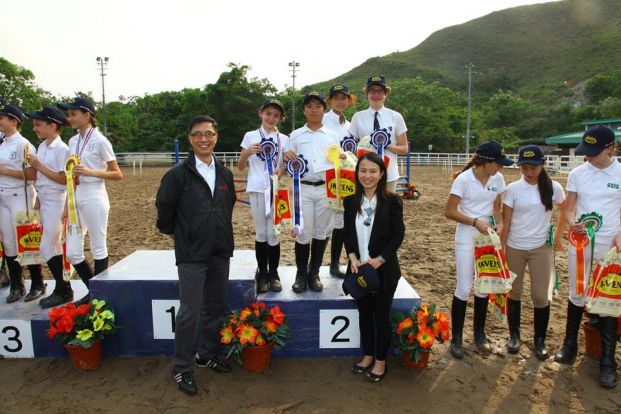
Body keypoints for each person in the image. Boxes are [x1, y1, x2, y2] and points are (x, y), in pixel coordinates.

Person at [156, 115, 237, 395]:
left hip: (220, 250)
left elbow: (227, 207)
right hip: (191, 252)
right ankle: (182, 367)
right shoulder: (177, 175)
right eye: (198, 134)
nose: (204, 139)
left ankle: (206, 354)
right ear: (190, 138)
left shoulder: (225, 173)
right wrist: (183, 234)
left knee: (215, 306)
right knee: (190, 311)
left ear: (216, 137)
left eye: (209, 134)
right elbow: (164, 213)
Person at [554, 125, 620, 389]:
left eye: (594, 152)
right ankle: (569, 344)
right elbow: (568, 208)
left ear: (610, 149)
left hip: (611, 244)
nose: (588, 157)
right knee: (577, 292)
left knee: (607, 297)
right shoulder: (578, 173)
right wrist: (572, 223)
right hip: (582, 242)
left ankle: (607, 359)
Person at [444, 140, 514, 359]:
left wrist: (499, 222)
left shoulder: (497, 178)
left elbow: (496, 206)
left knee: (483, 284)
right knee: (464, 286)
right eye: (498, 163)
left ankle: (479, 333)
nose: (501, 168)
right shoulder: (464, 180)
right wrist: (475, 222)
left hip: (487, 236)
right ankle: (456, 337)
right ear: (486, 162)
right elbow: (449, 211)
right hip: (467, 234)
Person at [343, 152, 405, 382]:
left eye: (372, 171)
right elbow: (347, 234)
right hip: (359, 269)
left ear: (381, 175)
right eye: (363, 170)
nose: (367, 175)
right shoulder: (349, 201)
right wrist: (351, 257)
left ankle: (380, 362)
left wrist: (381, 258)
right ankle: (367, 355)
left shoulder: (392, 201)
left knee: (381, 316)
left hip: (384, 270)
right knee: (364, 316)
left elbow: (398, 235)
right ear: (357, 172)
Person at [500, 145, 566, 359]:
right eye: (525, 167)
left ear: (543, 165)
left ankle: (540, 340)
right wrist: (501, 246)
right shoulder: (512, 189)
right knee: (514, 292)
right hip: (515, 247)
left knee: (540, 295)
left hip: (541, 249)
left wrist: (557, 234)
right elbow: (507, 220)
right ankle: (514, 336)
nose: (529, 172)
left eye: (533, 168)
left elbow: (566, 210)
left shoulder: (554, 187)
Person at [57, 97, 122, 304]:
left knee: (98, 246)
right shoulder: (73, 141)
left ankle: (98, 295)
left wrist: (91, 172)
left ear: (87, 115)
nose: (70, 118)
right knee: (73, 252)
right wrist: (68, 204)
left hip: (95, 194)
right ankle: (93, 289)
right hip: (77, 195)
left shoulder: (100, 140)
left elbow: (117, 173)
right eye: (69, 114)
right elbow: (70, 176)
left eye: (74, 114)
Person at [285, 91, 339, 293]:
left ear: (324, 109)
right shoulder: (296, 135)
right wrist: (287, 156)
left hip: (326, 189)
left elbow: (340, 164)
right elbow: (288, 162)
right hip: (303, 190)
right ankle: (301, 273)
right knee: (303, 232)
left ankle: (314, 272)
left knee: (322, 232)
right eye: (309, 106)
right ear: (303, 110)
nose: (313, 110)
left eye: (318, 106)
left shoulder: (333, 136)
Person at [238, 99, 289, 293]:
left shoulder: (284, 139)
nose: (271, 118)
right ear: (261, 113)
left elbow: (284, 169)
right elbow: (241, 167)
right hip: (257, 188)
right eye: (268, 113)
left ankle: (274, 273)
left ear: (280, 118)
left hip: (277, 190)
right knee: (261, 232)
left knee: (274, 232)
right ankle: (262, 272)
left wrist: (284, 168)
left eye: (276, 115)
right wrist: (247, 153)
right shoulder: (250, 136)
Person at [25, 106, 73, 308]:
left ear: (53, 126)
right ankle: (62, 288)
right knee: (51, 245)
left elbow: (63, 180)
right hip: (45, 199)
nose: (35, 129)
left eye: (38, 125)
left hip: (56, 199)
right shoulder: (43, 146)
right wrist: (37, 203)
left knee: (47, 246)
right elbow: (41, 179)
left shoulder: (62, 150)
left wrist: (38, 166)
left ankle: (64, 288)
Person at [0, 103, 44, 303]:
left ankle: (38, 283)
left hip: (21, 195)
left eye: (1, 118)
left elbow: (32, 174)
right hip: (3, 197)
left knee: (27, 241)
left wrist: (4, 171)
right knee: (8, 243)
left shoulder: (24, 144)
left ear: (13, 121)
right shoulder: (1, 141)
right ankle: (17, 284)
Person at [349, 75, 409, 193]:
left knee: (387, 210)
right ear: (367, 93)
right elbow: (350, 148)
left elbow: (404, 149)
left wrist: (385, 145)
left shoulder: (396, 117)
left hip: (389, 174)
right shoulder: (358, 117)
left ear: (385, 93)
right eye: (372, 91)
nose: (376, 94)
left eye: (380, 91)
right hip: (364, 176)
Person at [323, 83, 357, 279]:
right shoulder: (324, 120)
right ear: (330, 100)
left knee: (342, 222)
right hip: (328, 177)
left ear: (348, 100)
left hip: (346, 178)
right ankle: (316, 264)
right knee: (325, 223)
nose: (340, 101)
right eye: (336, 97)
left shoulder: (350, 124)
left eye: (343, 97)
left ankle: (335, 263)